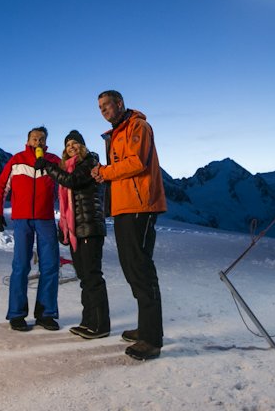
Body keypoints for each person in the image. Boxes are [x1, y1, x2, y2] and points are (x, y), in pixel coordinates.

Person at [91, 90, 166, 361]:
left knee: (141, 268)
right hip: (123, 207)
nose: (103, 110)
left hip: (140, 206)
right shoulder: (118, 132)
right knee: (131, 268)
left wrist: (105, 171)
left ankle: (152, 339)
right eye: (99, 107)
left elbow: (137, 162)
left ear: (119, 103)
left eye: (106, 105)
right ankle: (145, 328)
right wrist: (104, 173)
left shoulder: (138, 127)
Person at [34, 130, 110, 339]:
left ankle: (100, 325)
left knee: (92, 277)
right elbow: (68, 201)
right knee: (85, 277)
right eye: (68, 145)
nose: (72, 147)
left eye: (75, 143)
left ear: (83, 146)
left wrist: (48, 167)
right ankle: (89, 321)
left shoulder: (89, 162)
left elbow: (72, 181)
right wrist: (64, 229)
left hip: (89, 227)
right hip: (77, 229)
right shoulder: (68, 166)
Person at [0, 126, 61, 331]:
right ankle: (17, 314)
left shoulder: (54, 161)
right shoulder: (16, 160)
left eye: (41, 139)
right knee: (21, 266)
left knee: (50, 265)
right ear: (28, 140)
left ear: (46, 142)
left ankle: (46, 314)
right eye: (34, 138)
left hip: (46, 219)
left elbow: (67, 186)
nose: (37, 141)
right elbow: (1, 186)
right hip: (22, 220)